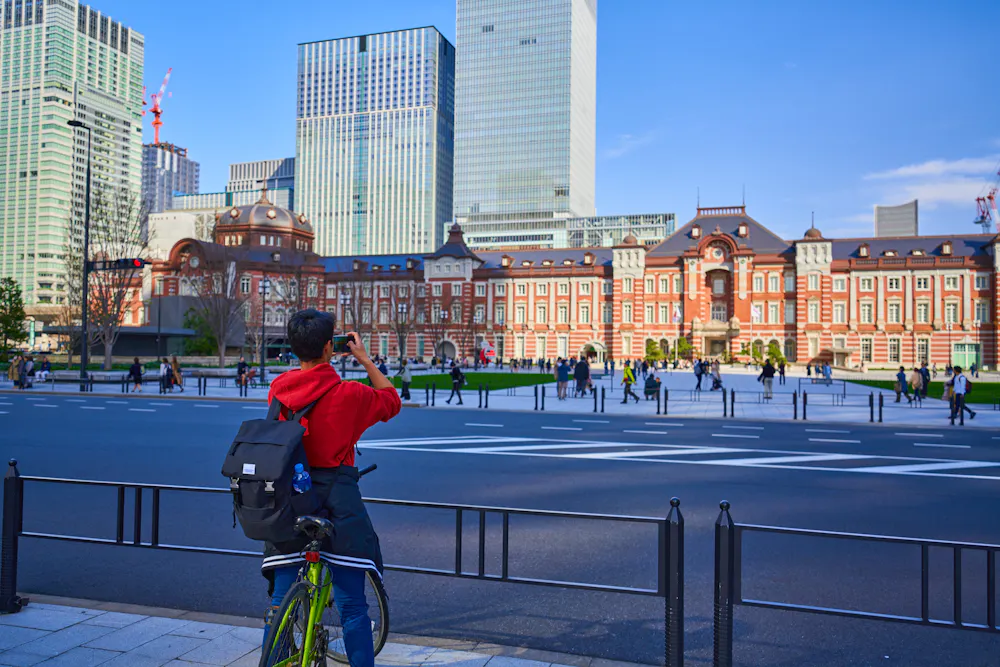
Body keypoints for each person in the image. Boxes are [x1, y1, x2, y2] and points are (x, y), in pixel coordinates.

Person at [262, 311, 400, 667]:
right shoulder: (349, 394)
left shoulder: (279, 389)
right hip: (338, 501)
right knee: (352, 605)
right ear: (329, 347)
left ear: (294, 349)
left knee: (279, 600)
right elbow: (391, 401)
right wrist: (365, 358)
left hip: (289, 499)